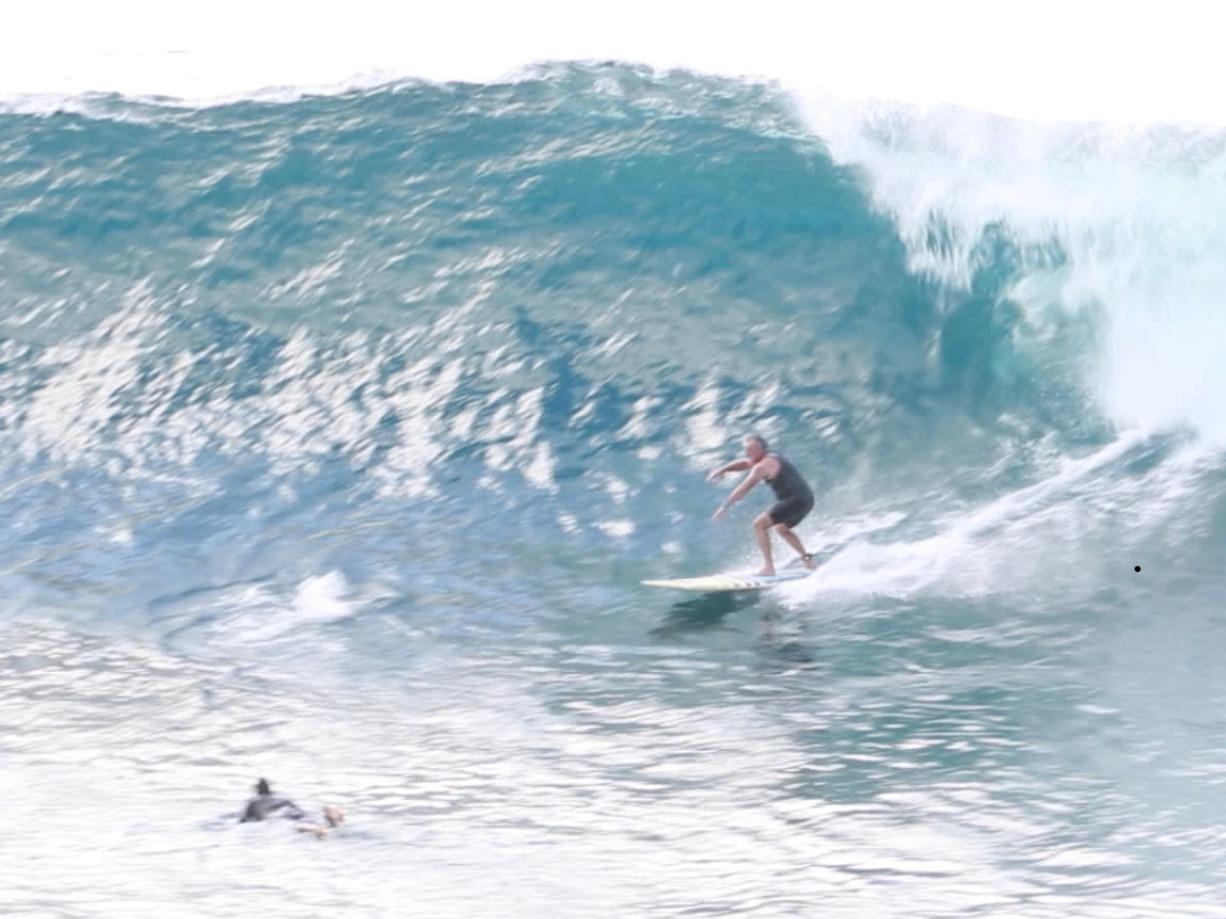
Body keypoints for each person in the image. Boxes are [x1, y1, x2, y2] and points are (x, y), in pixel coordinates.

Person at [708, 434, 816, 576]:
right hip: (807, 499)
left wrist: (725, 507)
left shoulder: (762, 467)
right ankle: (808, 560)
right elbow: (745, 463)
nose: (748, 453)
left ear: (761, 450)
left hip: (794, 501)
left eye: (752, 450)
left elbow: (744, 488)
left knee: (759, 525)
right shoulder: (771, 456)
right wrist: (723, 469)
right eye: (747, 450)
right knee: (781, 528)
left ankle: (769, 568)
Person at [238, 778, 345, 837]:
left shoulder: (253, 802)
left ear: (257, 790)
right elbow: (295, 807)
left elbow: (244, 820)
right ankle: (331, 815)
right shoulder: (281, 796)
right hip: (295, 811)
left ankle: (315, 829)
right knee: (307, 817)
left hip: (281, 815)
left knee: (294, 825)